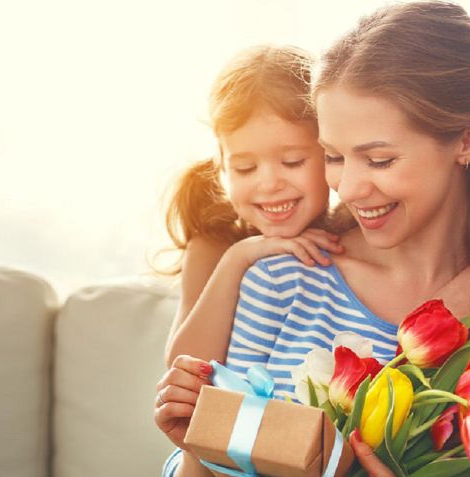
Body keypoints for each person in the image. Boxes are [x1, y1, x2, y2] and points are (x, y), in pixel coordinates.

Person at [158, 2, 470, 476]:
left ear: (467, 140)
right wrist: (200, 444)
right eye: (333, 157)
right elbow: (204, 461)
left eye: (379, 160)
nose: (349, 188)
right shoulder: (281, 280)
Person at [153, 44, 346, 477]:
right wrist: (240, 258)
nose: (269, 183)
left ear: (331, 155)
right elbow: (185, 372)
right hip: (207, 458)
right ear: (220, 167)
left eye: (292, 161)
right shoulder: (216, 244)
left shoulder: (348, 241)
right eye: (243, 168)